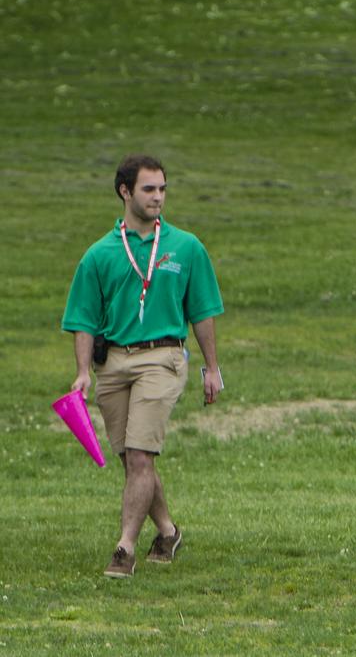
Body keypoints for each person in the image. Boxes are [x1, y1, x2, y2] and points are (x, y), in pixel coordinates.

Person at [61, 154, 224, 578]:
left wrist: (212, 366)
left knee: (139, 455)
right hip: (113, 362)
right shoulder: (99, 254)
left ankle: (124, 549)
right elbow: (82, 318)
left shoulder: (185, 246)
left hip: (164, 357)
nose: (158, 197)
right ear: (125, 192)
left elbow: (203, 311)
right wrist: (82, 372)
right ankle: (168, 531)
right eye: (149, 189)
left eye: (163, 189)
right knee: (134, 461)